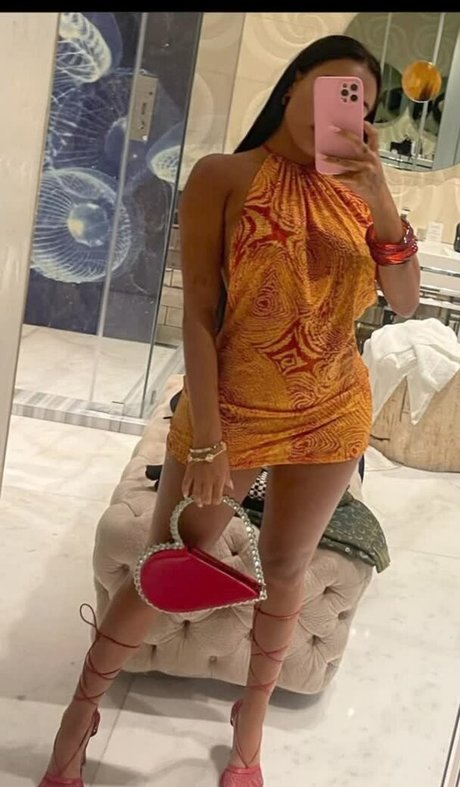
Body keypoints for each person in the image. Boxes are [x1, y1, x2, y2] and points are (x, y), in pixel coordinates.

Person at [39, 34, 420, 787]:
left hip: (332, 410)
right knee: (164, 565)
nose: (340, 112)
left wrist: (380, 197)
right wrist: (208, 441)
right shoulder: (225, 175)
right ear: (295, 83)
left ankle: (250, 726)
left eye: (359, 105)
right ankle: (78, 716)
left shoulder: (360, 195)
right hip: (234, 410)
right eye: (332, 89)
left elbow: (403, 303)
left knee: (286, 568)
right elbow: (200, 315)